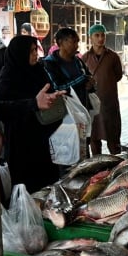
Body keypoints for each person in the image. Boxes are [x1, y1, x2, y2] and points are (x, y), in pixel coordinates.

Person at [0, 35, 65, 191]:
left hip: (42, 136)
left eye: (36, 49)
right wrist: (32, 104)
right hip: (20, 140)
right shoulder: (9, 76)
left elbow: (48, 90)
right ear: (20, 53)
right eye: (31, 51)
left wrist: (53, 97)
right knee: (25, 185)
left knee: (47, 182)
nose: (36, 54)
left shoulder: (39, 70)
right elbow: (1, 107)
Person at [43, 27, 95, 161]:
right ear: (60, 42)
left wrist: (90, 83)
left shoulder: (78, 61)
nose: (76, 45)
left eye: (77, 42)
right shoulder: (50, 63)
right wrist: (82, 80)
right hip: (62, 117)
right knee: (65, 154)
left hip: (81, 112)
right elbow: (58, 87)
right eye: (73, 42)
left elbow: (88, 77)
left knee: (83, 152)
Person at [82, 24, 123, 155]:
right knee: (94, 139)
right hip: (93, 104)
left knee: (113, 138)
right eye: (97, 35)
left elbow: (118, 75)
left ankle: (117, 166)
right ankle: (97, 168)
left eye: (102, 35)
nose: (100, 38)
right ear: (91, 38)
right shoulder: (85, 58)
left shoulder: (113, 57)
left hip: (109, 102)